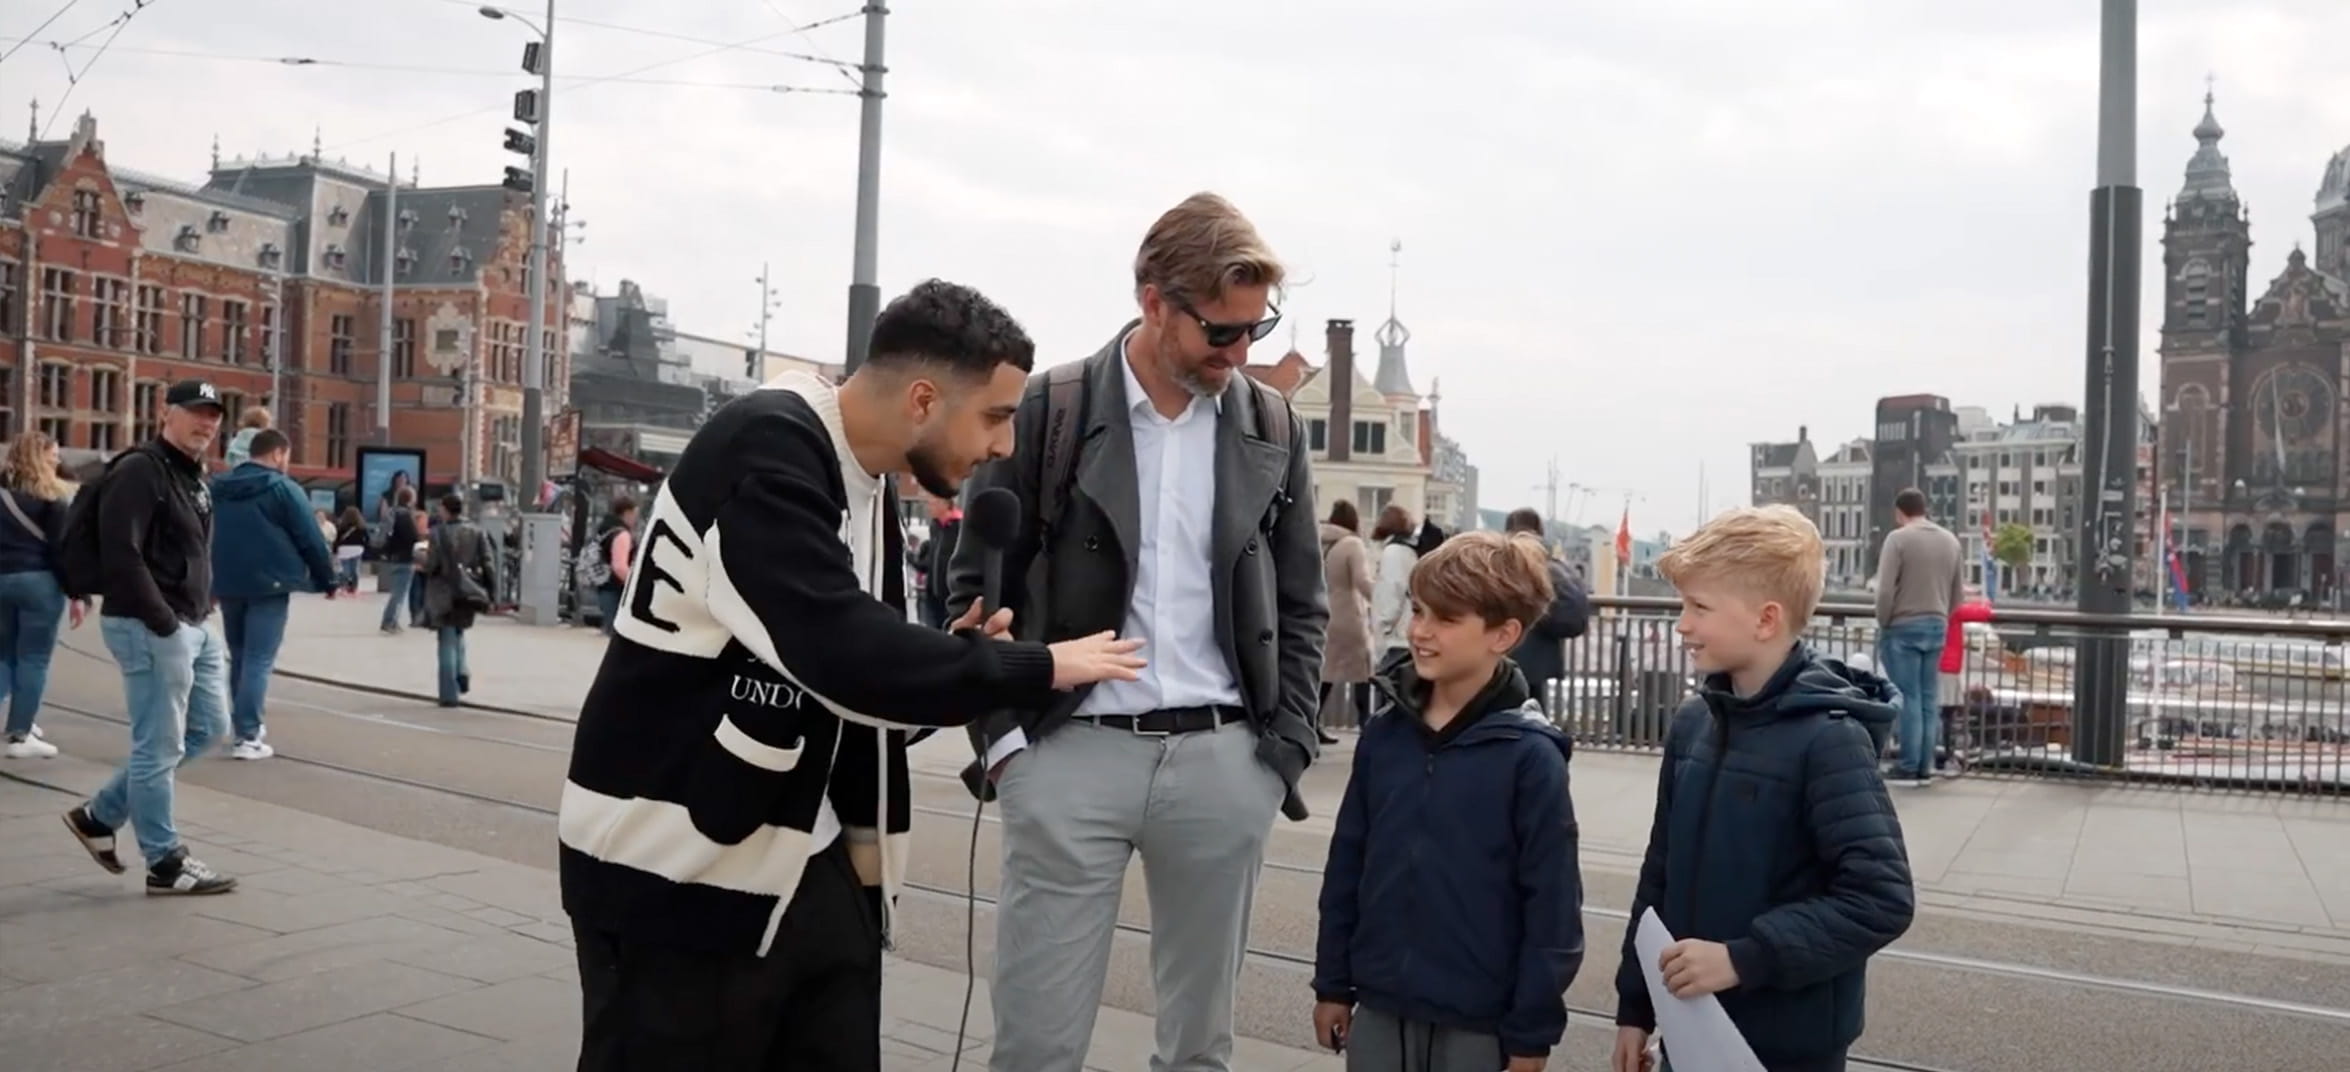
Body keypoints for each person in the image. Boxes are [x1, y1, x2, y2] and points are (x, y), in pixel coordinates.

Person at [558, 279, 1147, 1071]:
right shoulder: (767, 447)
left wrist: (949, 658)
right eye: (996, 417)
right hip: (677, 873)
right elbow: (839, 651)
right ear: (924, 399)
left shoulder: (860, 480)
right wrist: (1030, 665)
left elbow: (862, 694)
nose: (1004, 447)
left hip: (810, 864)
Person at [947, 191, 1328, 1072]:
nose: (1239, 354)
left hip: (1224, 760)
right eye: (1220, 333)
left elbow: (1305, 600)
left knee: (1200, 1051)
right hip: (1068, 749)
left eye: (1255, 331)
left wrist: (1284, 751)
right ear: (1153, 301)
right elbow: (971, 584)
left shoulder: (1269, 425)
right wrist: (1006, 745)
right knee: (1036, 1046)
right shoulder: (1049, 410)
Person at [1611, 505, 1914, 1072]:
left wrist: (1744, 959)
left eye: (1699, 607)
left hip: (1787, 1045)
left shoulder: (1831, 741)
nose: (1682, 623)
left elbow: (1880, 899)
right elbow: (1661, 873)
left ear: (1766, 619)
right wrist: (1636, 1005)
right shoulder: (1693, 724)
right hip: (1690, 1024)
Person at [1313, 530, 1583, 1072]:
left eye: (1446, 618)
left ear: (1503, 634)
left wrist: (1531, 1035)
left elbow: (1552, 910)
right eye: (1418, 611)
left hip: (1479, 1023)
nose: (1420, 632)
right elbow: (1347, 867)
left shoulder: (1530, 758)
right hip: (1381, 1006)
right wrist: (1333, 983)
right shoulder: (1385, 737)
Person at [62, 379, 238, 896]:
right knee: (157, 745)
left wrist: (201, 604)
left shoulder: (192, 474)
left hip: (193, 622)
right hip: (151, 624)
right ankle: (164, 862)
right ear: (167, 413)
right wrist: (163, 622)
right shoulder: (141, 469)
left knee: (209, 726)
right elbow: (123, 553)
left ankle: (100, 816)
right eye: (195, 413)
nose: (206, 423)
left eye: (214, 415)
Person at [210, 428, 338, 760]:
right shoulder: (283, 489)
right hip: (271, 584)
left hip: (227, 581)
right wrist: (328, 580)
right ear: (278, 453)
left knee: (238, 653)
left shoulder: (217, 487)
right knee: (259, 658)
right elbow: (311, 538)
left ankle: (240, 726)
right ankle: (248, 735)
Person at [0, 432, 86, 759]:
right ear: (41, 457)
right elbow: (60, 552)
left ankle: (22, 720)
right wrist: (78, 593)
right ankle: (21, 735)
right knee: (33, 658)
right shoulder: (52, 499)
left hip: (2, 580)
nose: (58, 459)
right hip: (38, 584)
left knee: (4, 655)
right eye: (53, 454)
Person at [1872, 487, 1963, 787]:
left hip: (1902, 627)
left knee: (1907, 696)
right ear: (1925, 509)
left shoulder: (1897, 539)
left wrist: (1884, 621)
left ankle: (1908, 764)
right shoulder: (1950, 541)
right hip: (1937, 625)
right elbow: (1957, 595)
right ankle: (1926, 764)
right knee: (1928, 697)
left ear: (1900, 512)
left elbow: (1885, 590)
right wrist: (1940, 617)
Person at [1502, 506, 1591, 712]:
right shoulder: (1549, 561)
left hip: (1515, 653)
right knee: (1534, 714)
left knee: (1509, 713)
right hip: (1542, 655)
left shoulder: (1514, 561)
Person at [420, 494, 498, 707]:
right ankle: (462, 670)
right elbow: (489, 563)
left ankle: (448, 694)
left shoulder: (438, 534)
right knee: (459, 630)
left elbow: (432, 565)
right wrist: (491, 591)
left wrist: (422, 562)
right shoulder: (476, 531)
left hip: (444, 592)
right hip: (468, 590)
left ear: (446, 510)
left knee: (446, 638)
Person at [1318, 499, 1374, 741]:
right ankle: (1366, 725)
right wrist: (1380, 598)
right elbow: (1361, 581)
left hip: (1322, 613)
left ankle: (1311, 722)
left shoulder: (1319, 541)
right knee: (1361, 671)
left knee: (1325, 672)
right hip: (1348, 615)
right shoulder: (1352, 544)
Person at [378, 486, 421, 633]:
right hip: (405, 557)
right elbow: (412, 536)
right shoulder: (405, 515)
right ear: (410, 499)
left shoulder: (393, 512)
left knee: (397, 591)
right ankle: (389, 621)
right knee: (399, 593)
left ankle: (392, 620)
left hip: (394, 556)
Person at [592, 498, 638, 636]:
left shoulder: (604, 529)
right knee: (618, 634)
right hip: (616, 589)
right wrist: (634, 583)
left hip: (603, 585)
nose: (635, 519)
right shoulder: (621, 534)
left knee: (610, 630)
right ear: (627, 513)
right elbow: (619, 567)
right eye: (635, 514)